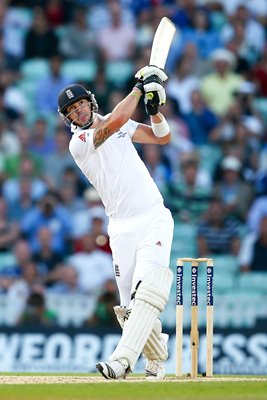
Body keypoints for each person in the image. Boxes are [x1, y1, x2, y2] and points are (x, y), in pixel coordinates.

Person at [57, 65, 174, 380]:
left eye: (81, 103)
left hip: (153, 216)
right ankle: (157, 359)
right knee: (129, 307)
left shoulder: (116, 121)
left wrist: (154, 111)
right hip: (120, 227)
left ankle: (122, 362)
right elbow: (118, 120)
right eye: (71, 110)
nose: (78, 111)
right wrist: (139, 87)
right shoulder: (79, 142)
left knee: (148, 290)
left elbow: (162, 138)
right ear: (67, 118)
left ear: (91, 102)